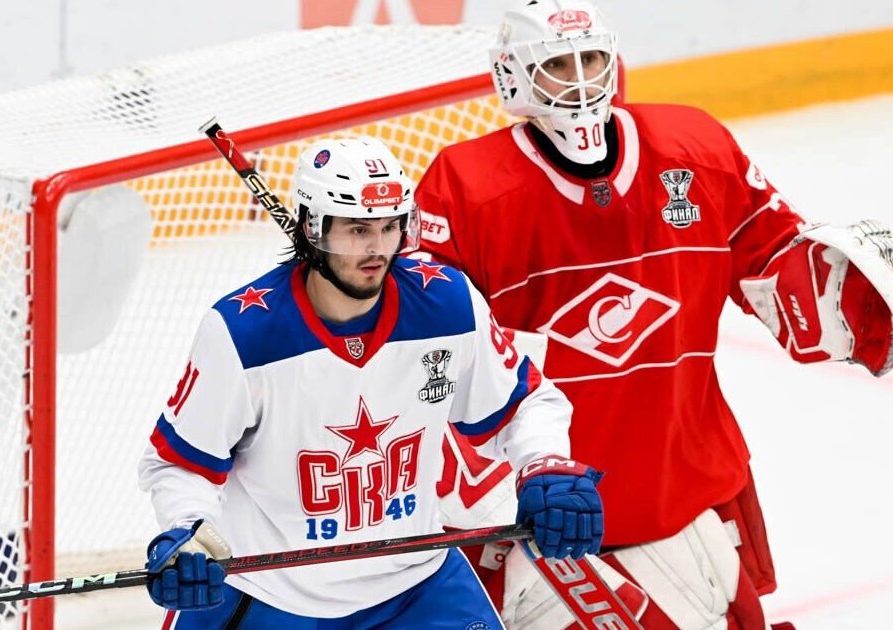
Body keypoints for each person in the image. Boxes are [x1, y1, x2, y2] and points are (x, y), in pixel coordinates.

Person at [417, 1, 893, 628]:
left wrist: (853, 296)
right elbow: (423, 348)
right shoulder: (465, 188)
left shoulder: (695, 148)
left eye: (591, 59)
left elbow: (776, 260)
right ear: (514, 76)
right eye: (558, 65)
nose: (580, 79)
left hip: (682, 490)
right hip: (542, 511)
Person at [137, 137, 605, 628]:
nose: (378, 249)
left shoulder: (446, 304)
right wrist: (186, 531)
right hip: (271, 593)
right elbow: (178, 463)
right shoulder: (244, 334)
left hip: (413, 582)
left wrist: (545, 464)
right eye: (358, 229)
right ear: (312, 228)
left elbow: (523, 402)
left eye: (389, 226)